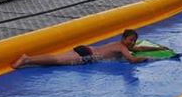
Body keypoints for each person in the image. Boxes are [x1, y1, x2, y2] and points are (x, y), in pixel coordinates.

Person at [11, 29, 167, 68]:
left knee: (57, 58)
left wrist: (157, 48)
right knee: (57, 60)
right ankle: (27, 59)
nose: (132, 43)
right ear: (124, 39)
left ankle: (30, 60)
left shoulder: (120, 45)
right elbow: (131, 59)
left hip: (85, 50)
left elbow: (138, 49)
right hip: (87, 54)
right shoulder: (121, 47)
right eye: (131, 40)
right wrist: (149, 59)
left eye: (134, 41)